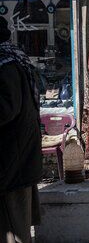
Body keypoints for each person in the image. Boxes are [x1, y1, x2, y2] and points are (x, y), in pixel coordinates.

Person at [0, 18, 42, 243]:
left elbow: (6, 109)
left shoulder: (5, 65)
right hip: (18, 160)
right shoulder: (15, 60)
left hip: (11, 162)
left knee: (12, 229)